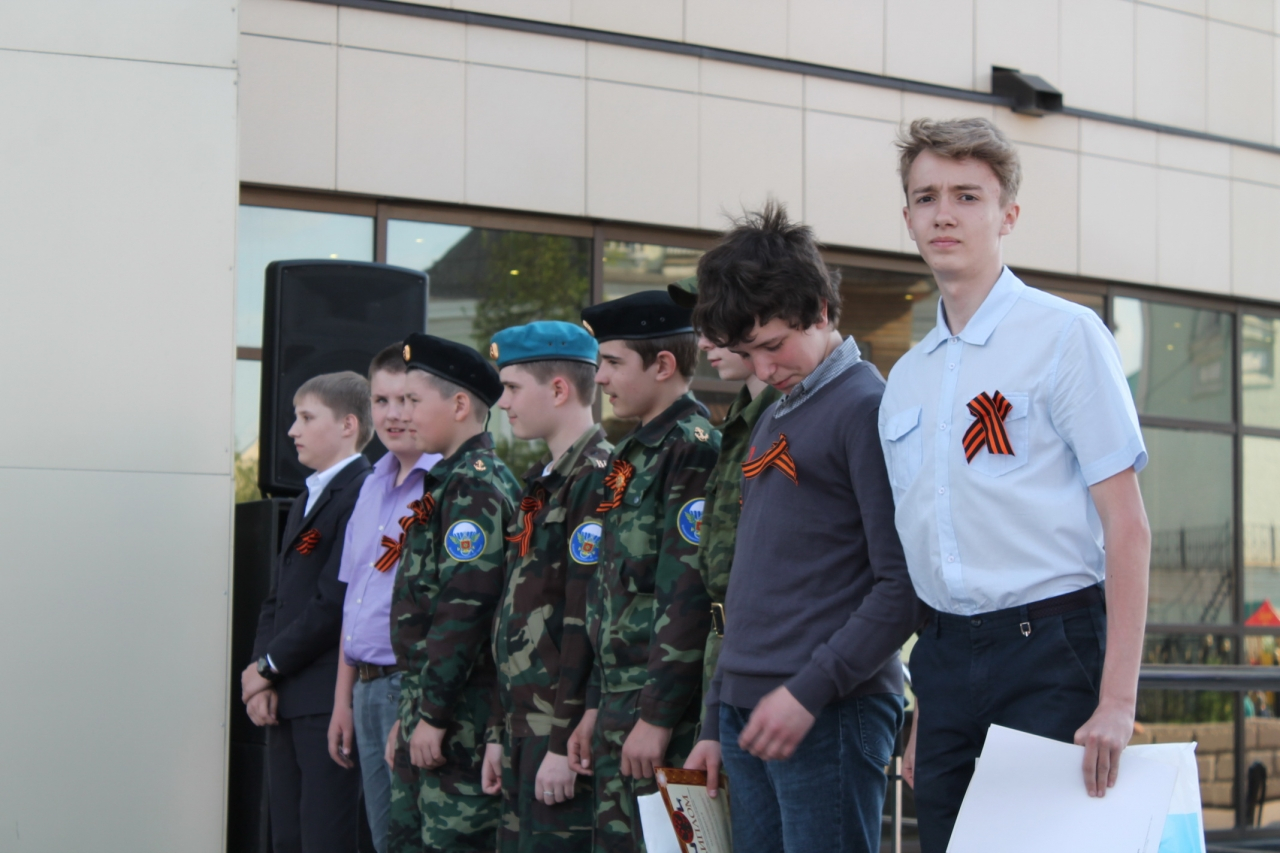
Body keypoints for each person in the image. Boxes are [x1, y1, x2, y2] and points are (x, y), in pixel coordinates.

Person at [880, 118, 1150, 853]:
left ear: (1008, 215)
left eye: (967, 196)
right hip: (942, 661)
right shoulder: (906, 380)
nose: (943, 213)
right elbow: (924, 548)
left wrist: (1117, 700)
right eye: (926, 197)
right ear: (907, 217)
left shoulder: (1066, 337)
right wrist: (927, 708)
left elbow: (1128, 527)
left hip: (1050, 652)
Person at [683, 203, 921, 853]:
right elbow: (747, 582)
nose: (763, 369)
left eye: (772, 346)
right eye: (747, 353)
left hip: (827, 709)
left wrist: (809, 691)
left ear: (819, 310)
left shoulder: (867, 408)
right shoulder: (774, 412)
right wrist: (716, 716)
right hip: (748, 710)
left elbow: (902, 586)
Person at [564, 290, 721, 853]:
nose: (600, 377)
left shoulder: (692, 450)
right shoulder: (634, 453)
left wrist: (656, 717)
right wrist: (593, 703)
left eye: (612, 362)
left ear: (663, 365)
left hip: (663, 715)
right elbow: (610, 593)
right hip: (619, 705)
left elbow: (687, 594)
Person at [383, 333, 521, 853]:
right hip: (432, 703)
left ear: (460, 405)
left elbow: (466, 609)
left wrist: (433, 716)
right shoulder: (449, 481)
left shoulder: (474, 486)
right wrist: (415, 711)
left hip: (462, 715)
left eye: (413, 400)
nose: (403, 414)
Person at [478, 321, 612, 853]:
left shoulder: (597, 478)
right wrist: (498, 731)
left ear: (558, 389)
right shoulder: (544, 481)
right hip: (523, 726)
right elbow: (513, 614)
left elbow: (587, 620)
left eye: (512, 388)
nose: (503, 403)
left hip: (559, 734)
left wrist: (561, 741)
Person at [242, 371, 374, 853]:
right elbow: (277, 598)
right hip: (288, 694)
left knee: (326, 836)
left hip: (326, 698)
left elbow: (333, 601)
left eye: (306, 418)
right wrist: (264, 675)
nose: (293, 430)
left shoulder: (363, 492)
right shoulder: (304, 499)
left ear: (347, 425)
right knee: (288, 837)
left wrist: (268, 666)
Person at [327, 345, 443, 853]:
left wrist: (416, 706)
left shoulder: (445, 485)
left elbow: (453, 611)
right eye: (381, 400)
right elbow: (353, 601)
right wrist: (342, 702)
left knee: (416, 839)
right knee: (383, 841)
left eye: (406, 400)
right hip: (365, 689)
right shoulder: (370, 485)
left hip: (410, 687)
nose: (393, 414)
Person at [666, 277, 781, 731]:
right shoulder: (741, 417)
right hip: (730, 660)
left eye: (715, 322)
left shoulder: (789, 414)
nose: (703, 342)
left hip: (775, 667)